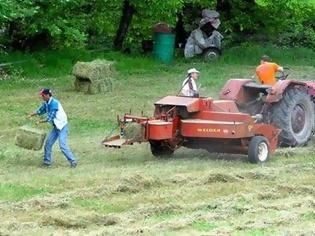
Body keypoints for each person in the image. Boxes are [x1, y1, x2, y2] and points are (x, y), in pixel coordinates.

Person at [28, 88, 77, 168]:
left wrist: (39, 122)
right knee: (48, 144)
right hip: (56, 126)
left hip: (62, 126)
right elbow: (40, 110)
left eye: (43, 95)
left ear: (48, 95)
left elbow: (50, 117)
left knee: (62, 145)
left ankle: (73, 161)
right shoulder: (46, 103)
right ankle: (47, 163)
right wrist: (31, 114)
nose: (42, 97)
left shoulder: (54, 103)